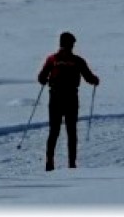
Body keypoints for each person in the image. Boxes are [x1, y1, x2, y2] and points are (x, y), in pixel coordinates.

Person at [37, 31, 100, 171]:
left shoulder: (52, 59)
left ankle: (49, 161)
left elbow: (41, 78)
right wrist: (96, 80)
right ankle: (71, 163)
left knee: (54, 130)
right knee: (71, 131)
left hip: (55, 98)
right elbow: (89, 78)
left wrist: (46, 80)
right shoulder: (77, 60)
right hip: (71, 98)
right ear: (71, 44)